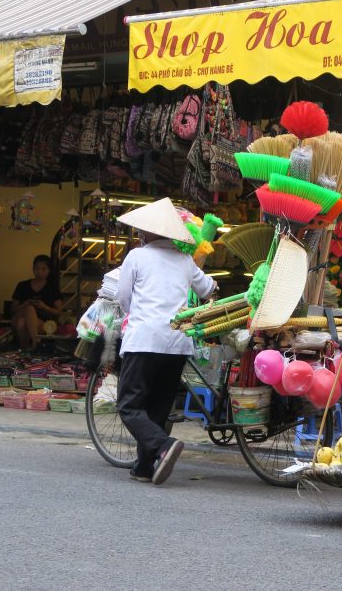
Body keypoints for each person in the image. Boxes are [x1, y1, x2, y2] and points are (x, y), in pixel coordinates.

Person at [114, 198, 217, 486]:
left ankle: (163, 445)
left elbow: (123, 298)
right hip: (177, 344)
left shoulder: (137, 256)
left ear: (147, 233)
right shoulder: (185, 260)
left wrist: (133, 317)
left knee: (130, 406)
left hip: (144, 340)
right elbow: (208, 289)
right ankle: (145, 467)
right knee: (157, 408)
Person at [11, 254, 63, 351]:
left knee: (22, 323)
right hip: (19, 315)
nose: (39, 272)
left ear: (49, 271)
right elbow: (13, 310)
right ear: (33, 269)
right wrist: (24, 304)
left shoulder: (52, 288)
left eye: (43, 269)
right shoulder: (22, 285)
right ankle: (35, 342)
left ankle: (24, 350)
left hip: (43, 323)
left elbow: (59, 312)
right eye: (37, 269)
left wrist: (44, 307)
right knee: (29, 309)